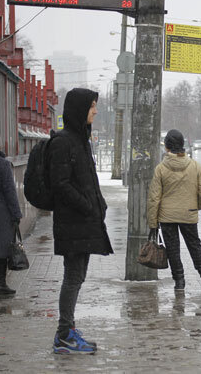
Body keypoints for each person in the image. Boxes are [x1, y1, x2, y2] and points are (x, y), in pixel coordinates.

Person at [49, 88, 113, 355]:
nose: (95, 111)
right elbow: (60, 184)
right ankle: (64, 335)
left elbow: (86, 182)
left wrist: (100, 204)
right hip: (73, 222)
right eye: (92, 107)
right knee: (73, 277)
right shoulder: (64, 142)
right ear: (79, 109)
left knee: (78, 276)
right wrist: (88, 206)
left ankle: (68, 330)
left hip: (82, 222)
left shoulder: (80, 140)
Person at [148, 129, 201, 291]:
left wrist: (153, 222)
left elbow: (154, 198)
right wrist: (196, 206)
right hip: (188, 213)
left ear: (167, 147)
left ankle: (179, 282)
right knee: (195, 246)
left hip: (167, 217)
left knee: (173, 249)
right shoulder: (194, 166)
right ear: (182, 145)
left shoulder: (161, 169)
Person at [0, 130, 22, 296]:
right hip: (0, 214)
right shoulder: (2, 164)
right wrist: (16, 214)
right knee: (2, 248)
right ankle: (1, 283)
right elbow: (10, 192)